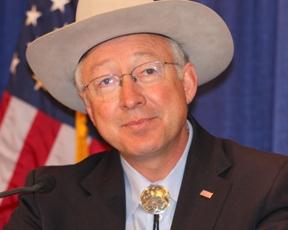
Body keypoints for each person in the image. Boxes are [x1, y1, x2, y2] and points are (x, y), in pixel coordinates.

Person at [5, 0, 288, 229]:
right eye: (106, 81)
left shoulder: (267, 186)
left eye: (148, 71)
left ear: (187, 83)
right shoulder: (47, 200)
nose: (130, 99)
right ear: (89, 107)